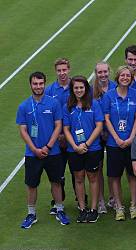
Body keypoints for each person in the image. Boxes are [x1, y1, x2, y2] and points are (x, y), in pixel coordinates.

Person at [17, 71, 70, 228]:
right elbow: (23, 130)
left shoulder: (53, 104)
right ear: (30, 85)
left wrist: (47, 146)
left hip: (52, 152)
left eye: (41, 84)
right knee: (32, 184)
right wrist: (34, 149)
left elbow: (58, 126)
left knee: (56, 182)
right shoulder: (24, 106)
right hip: (32, 153)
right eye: (35, 84)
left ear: (44, 84)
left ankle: (59, 209)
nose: (38, 86)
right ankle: (31, 214)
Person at [102, 66, 136, 221]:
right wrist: (117, 139)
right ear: (117, 77)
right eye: (122, 75)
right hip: (114, 143)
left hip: (132, 142)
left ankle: (133, 205)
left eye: (128, 75)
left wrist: (132, 137)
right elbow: (106, 119)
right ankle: (119, 206)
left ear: (131, 78)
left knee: (133, 175)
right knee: (115, 176)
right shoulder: (109, 96)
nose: (125, 78)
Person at [62, 76, 104, 223]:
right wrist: (74, 146)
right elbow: (66, 129)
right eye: (76, 88)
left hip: (92, 148)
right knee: (78, 179)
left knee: (93, 178)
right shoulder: (68, 107)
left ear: (86, 89)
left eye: (81, 87)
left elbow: (99, 126)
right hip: (74, 150)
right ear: (72, 90)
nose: (79, 90)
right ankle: (82, 208)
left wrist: (86, 144)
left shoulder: (94, 104)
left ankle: (93, 209)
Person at [44, 58, 75, 214]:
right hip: (57, 140)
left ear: (69, 69)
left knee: (78, 172)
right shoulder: (49, 91)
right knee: (57, 173)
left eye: (64, 70)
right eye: (59, 70)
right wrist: (59, 136)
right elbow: (48, 116)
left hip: (74, 138)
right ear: (55, 71)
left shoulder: (75, 87)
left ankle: (80, 199)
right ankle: (57, 202)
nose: (62, 73)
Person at [92, 61, 116, 214]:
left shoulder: (116, 86)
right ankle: (100, 200)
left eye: (105, 71)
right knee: (98, 168)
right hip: (97, 134)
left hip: (114, 133)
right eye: (100, 72)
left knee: (113, 169)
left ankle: (113, 198)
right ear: (96, 73)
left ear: (109, 71)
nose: (103, 75)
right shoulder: (91, 91)